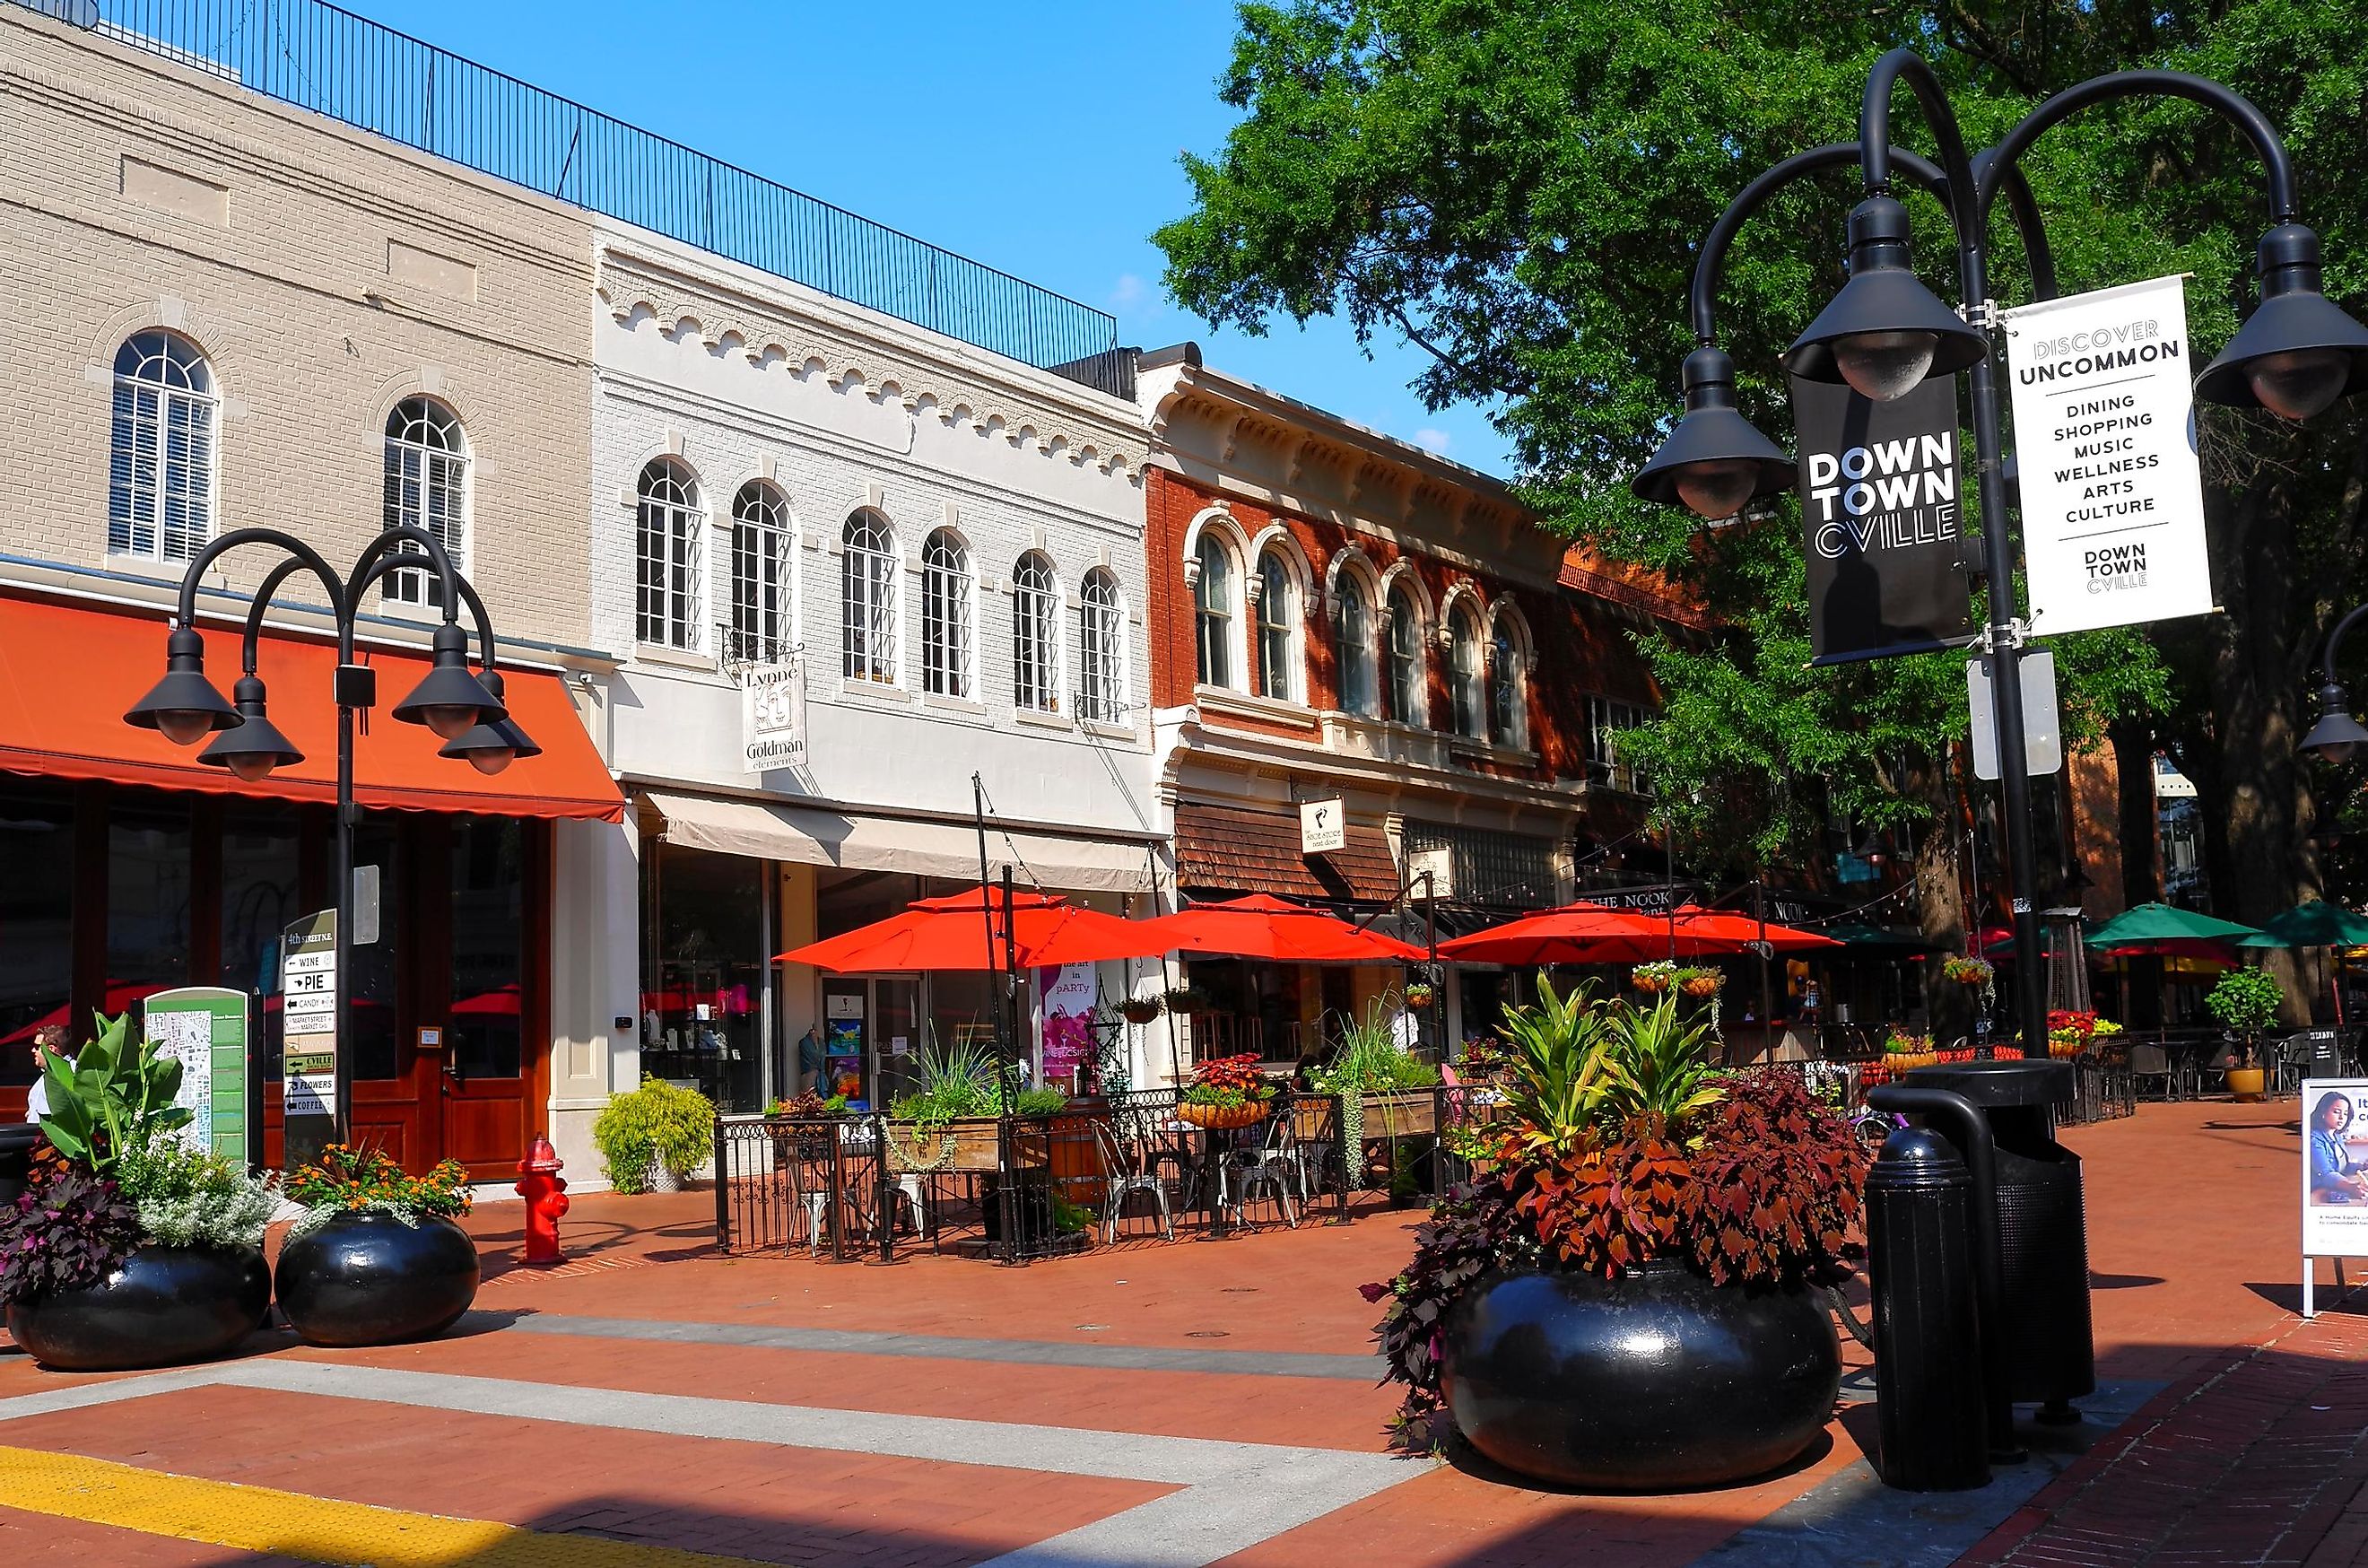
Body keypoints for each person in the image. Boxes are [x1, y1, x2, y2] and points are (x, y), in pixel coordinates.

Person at [2308, 1091, 2368, 1204]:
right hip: (2319, 1193)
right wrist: (2350, 1186)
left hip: (2335, 1188)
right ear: (2323, 1112)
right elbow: (2325, 1173)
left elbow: (2344, 1166)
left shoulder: (2337, 1136)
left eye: (2345, 1114)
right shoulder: (2313, 1139)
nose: (2342, 1117)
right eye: (2337, 1112)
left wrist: (2363, 1166)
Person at [23, 1024, 66, 1123]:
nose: (33, 1050)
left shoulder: (71, 1073)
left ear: (51, 1049)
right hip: (34, 1134)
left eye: (37, 1047)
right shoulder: (46, 1075)